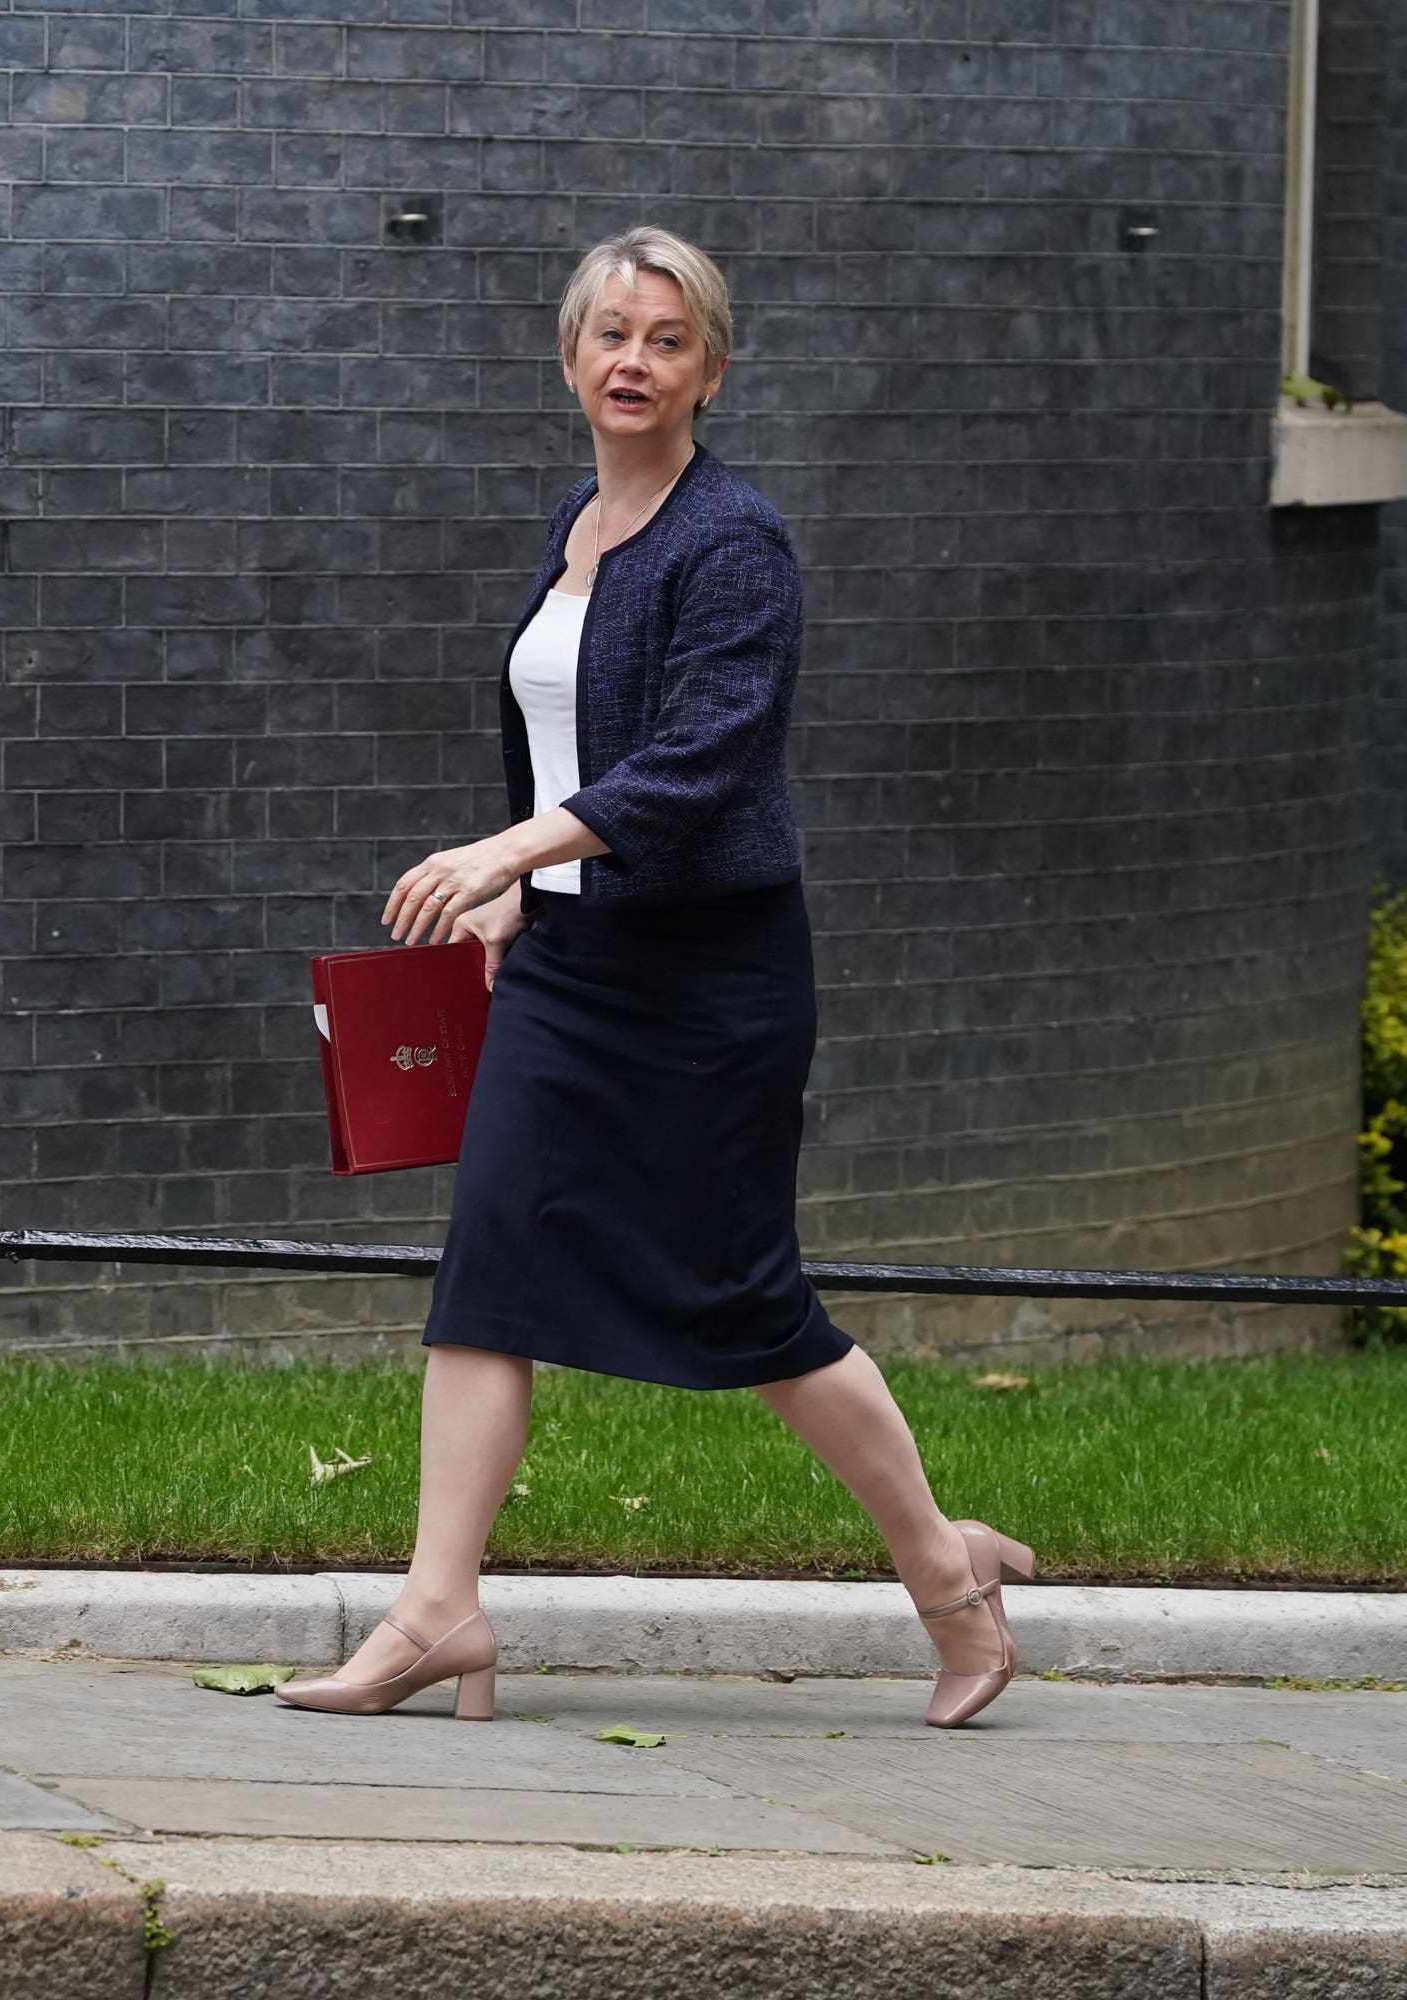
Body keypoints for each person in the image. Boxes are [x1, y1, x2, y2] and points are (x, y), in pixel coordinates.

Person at [275, 228, 1030, 1731]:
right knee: (487, 1270)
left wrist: (509, 854)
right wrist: (524, 904)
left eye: (666, 339)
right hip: (571, 963)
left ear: (713, 369)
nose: (633, 360)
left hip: (708, 985)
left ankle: (949, 1581)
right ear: (569, 359)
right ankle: (438, 1614)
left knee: (742, 1309)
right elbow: (575, 743)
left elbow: (701, 759)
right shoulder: (579, 524)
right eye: (609, 334)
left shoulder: (732, 539)